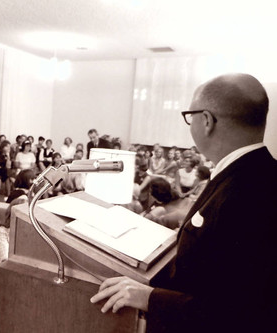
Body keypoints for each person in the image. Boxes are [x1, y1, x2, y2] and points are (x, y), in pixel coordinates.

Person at [91, 73, 277, 332]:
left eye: (190, 116)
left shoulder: (249, 192)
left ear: (207, 121)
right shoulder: (253, 172)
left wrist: (148, 297)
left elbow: (240, 311)